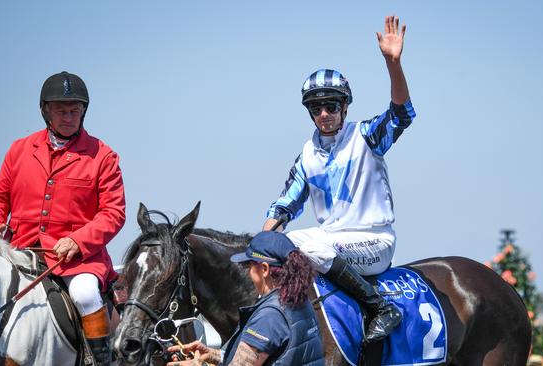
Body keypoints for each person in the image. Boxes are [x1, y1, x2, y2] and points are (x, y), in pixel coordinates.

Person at [261, 15, 415, 343]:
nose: (324, 114)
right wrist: (260, 246)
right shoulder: (307, 155)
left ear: (344, 107)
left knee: (306, 244)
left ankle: (382, 308)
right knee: (277, 247)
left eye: (331, 105)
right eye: (316, 108)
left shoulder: (366, 136)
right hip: (329, 243)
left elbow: (401, 114)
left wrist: (393, 64)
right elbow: (284, 207)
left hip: (374, 242)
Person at [0, 71, 125, 365]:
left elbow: (113, 212)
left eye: (74, 110)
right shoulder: (19, 150)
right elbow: (0, 198)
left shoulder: (102, 156)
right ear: (45, 111)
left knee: (84, 294)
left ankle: (100, 358)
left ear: (83, 112)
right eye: (60, 110)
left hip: (75, 259)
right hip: (20, 249)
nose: (68, 117)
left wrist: (77, 241)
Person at [166, 231, 324, 365]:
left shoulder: (269, 316)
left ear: (264, 269)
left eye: (249, 266)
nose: (248, 272)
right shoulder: (300, 301)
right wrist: (214, 355)